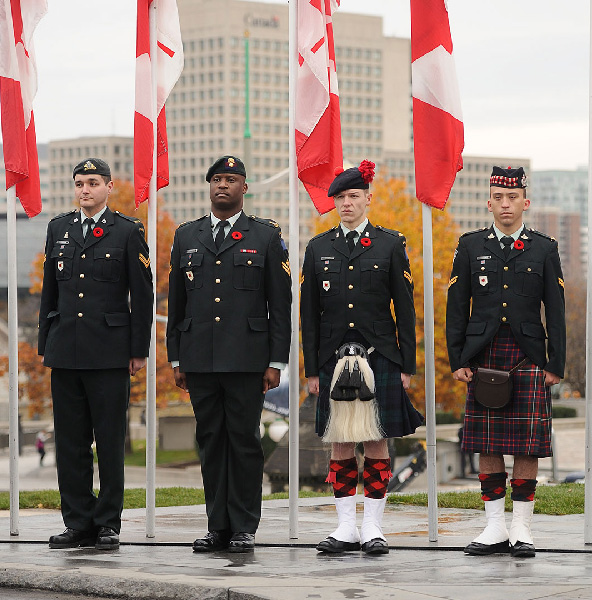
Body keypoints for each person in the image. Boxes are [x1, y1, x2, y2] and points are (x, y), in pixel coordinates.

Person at [167, 155, 292, 553]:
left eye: (232, 179)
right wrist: (175, 358)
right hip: (199, 357)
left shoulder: (266, 237)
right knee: (210, 442)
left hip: (247, 359)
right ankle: (216, 525)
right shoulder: (187, 236)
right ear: (209, 186)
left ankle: (243, 526)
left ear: (244, 188)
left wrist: (276, 362)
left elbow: (280, 305)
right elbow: (177, 303)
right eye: (217, 179)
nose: (223, 185)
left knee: (243, 442)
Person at [300, 161, 423, 555]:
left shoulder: (390, 244)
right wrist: (311, 369)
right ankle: (345, 527)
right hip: (332, 360)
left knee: (376, 441)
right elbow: (308, 315)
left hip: (381, 356)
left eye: (354, 196)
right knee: (339, 442)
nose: (347, 203)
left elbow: (405, 309)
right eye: (340, 197)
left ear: (368, 198)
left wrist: (407, 364)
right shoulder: (318, 247)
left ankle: (373, 526)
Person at [446, 166, 565, 558]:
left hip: (529, 356)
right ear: (489, 202)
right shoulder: (470, 245)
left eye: (512, 197)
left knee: (527, 446)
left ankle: (522, 528)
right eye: (498, 197)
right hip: (483, 356)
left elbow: (557, 310)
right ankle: (495, 525)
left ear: (525, 202)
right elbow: (456, 307)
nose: (505, 204)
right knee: (488, 443)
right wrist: (458, 357)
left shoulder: (544, 248)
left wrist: (555, 364)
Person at [38, 158, 153, 550]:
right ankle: (77, 522)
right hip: (65, 350)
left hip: (109, 353)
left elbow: (142, 294)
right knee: (70, 444)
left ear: (109, 187)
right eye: (79, 183)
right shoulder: (59, 228)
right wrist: (44, 344)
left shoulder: (127, 230)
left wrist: (139, 349)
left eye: (91, 183)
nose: (84, 190)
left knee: (108, 442)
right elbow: (49, 292)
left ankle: (107, 523)